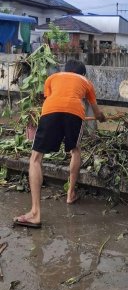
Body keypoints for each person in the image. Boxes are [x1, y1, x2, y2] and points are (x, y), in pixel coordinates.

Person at [13, 60, 106, 228]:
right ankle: (70, 194)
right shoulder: (86, 82)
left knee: (35, 159)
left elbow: (52, 98)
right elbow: (96, 110)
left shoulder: (52, 78)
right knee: (75, 150)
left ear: (65, 70)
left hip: (51, 111)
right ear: (82, 74)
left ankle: (35, 213)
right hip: (75, 113)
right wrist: (101, 117)